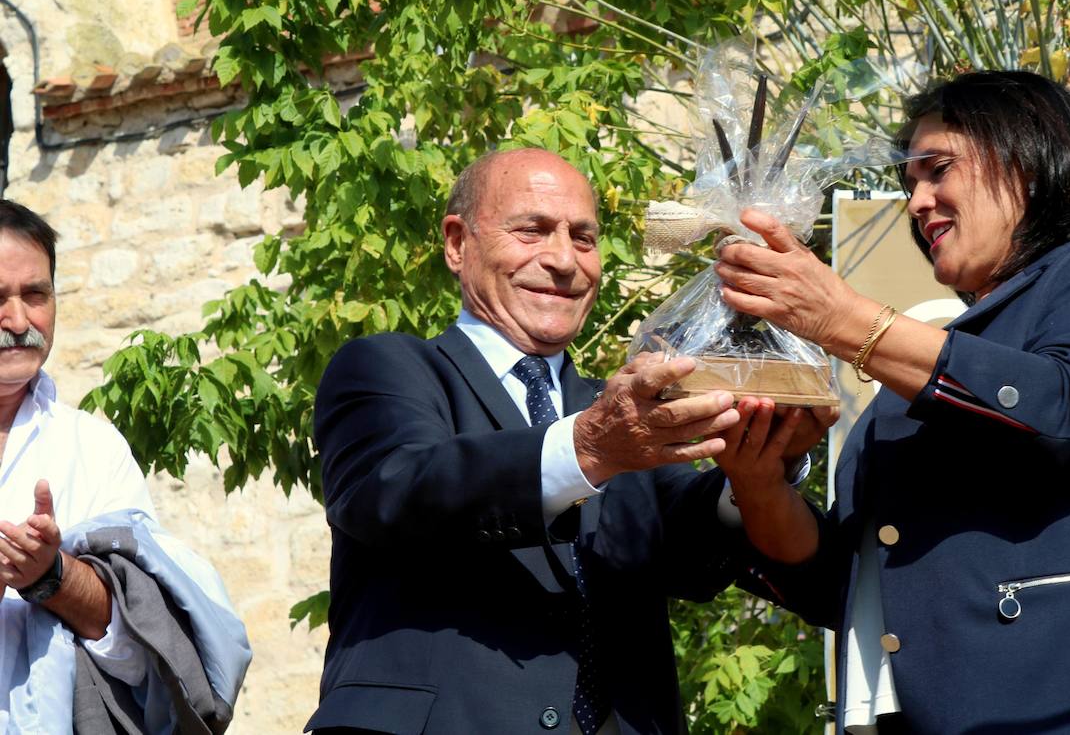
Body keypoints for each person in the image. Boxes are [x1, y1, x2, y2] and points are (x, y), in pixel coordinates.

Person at [713, 70, 1070, 733]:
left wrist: (843, 321)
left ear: (1028, 158)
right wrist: (758, 484)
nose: (917, 203)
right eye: (909, 184)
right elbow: (849, 585)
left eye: (938, 170)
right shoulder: (916, 387)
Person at [305, 147, 821, 735]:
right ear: (457, 243)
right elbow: (392, 490)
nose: (562, 261)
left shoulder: (627, 412)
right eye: (531, 231)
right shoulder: (390, 368)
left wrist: (754, 471)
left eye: (583, 237)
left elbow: (689, 544)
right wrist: (588, 450)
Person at [0, 199, 250, 731]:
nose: (18, 321)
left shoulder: (94, 448)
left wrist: (52, 576)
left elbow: (140, 656)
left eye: (35, 295)